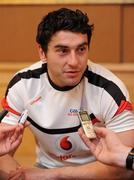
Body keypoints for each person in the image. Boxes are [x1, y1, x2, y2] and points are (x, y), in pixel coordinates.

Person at [1, 7, 134, 179]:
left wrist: (53, 176)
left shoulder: (110, 90)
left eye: (81, 49)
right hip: (44, 169)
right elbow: (3, 154)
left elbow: (124, 169)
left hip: (99, 174)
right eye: (63, 51)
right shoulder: (22, 86)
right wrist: (22, 177)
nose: (74, 62)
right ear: (42, 52)